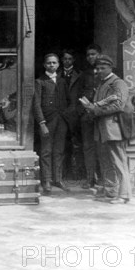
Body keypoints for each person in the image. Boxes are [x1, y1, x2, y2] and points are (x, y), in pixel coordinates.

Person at [80, 54, 132, 204]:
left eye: (103, 68)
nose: (99, 70)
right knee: (106, 161)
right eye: (97, 68)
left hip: (114, 129)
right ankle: (111, 192)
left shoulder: (117, 83)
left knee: (118, 162)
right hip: (102, 129)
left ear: (111, 68)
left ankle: (124, 195)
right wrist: (91, 107)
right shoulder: (103, 83)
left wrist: (94, 110)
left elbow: (119, 105)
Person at [33, 53, 71, 195]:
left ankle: (58, 178)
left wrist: (66, 117)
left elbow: (67, 100)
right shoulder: (40, 82)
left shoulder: (62, 81)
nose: (52, 65)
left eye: (54, 63)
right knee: (46, 151)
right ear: (44, 65)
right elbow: (36, 104)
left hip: (61, 121)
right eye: (49, 63)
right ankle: (46, 180)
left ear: (58, 65)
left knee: (59, 151)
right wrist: (42, 123)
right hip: (47, 121)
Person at [76, 44, 102, 193]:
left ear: (100, 54)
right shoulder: (84, 74)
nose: (91, 57)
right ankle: (90, 178)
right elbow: (79, 94)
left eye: (93, 54)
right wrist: (82, 112)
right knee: (88, 147)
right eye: (88, 55)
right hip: (87, 116)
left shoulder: (107, 73)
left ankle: (103, 178)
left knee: (102, 147)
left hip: (101, 115)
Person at [60, 49, 82, 181]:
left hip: (74, 114)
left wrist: (78, 110)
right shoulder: (56, 74)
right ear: (62, 60)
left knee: (76, 145)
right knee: (62, 144)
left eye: (69, 59)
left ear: (73, 60)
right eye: (65, 59)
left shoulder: (80, 75)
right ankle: (63, 173)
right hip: (61, 114)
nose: (67, 61)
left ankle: (77, 174)